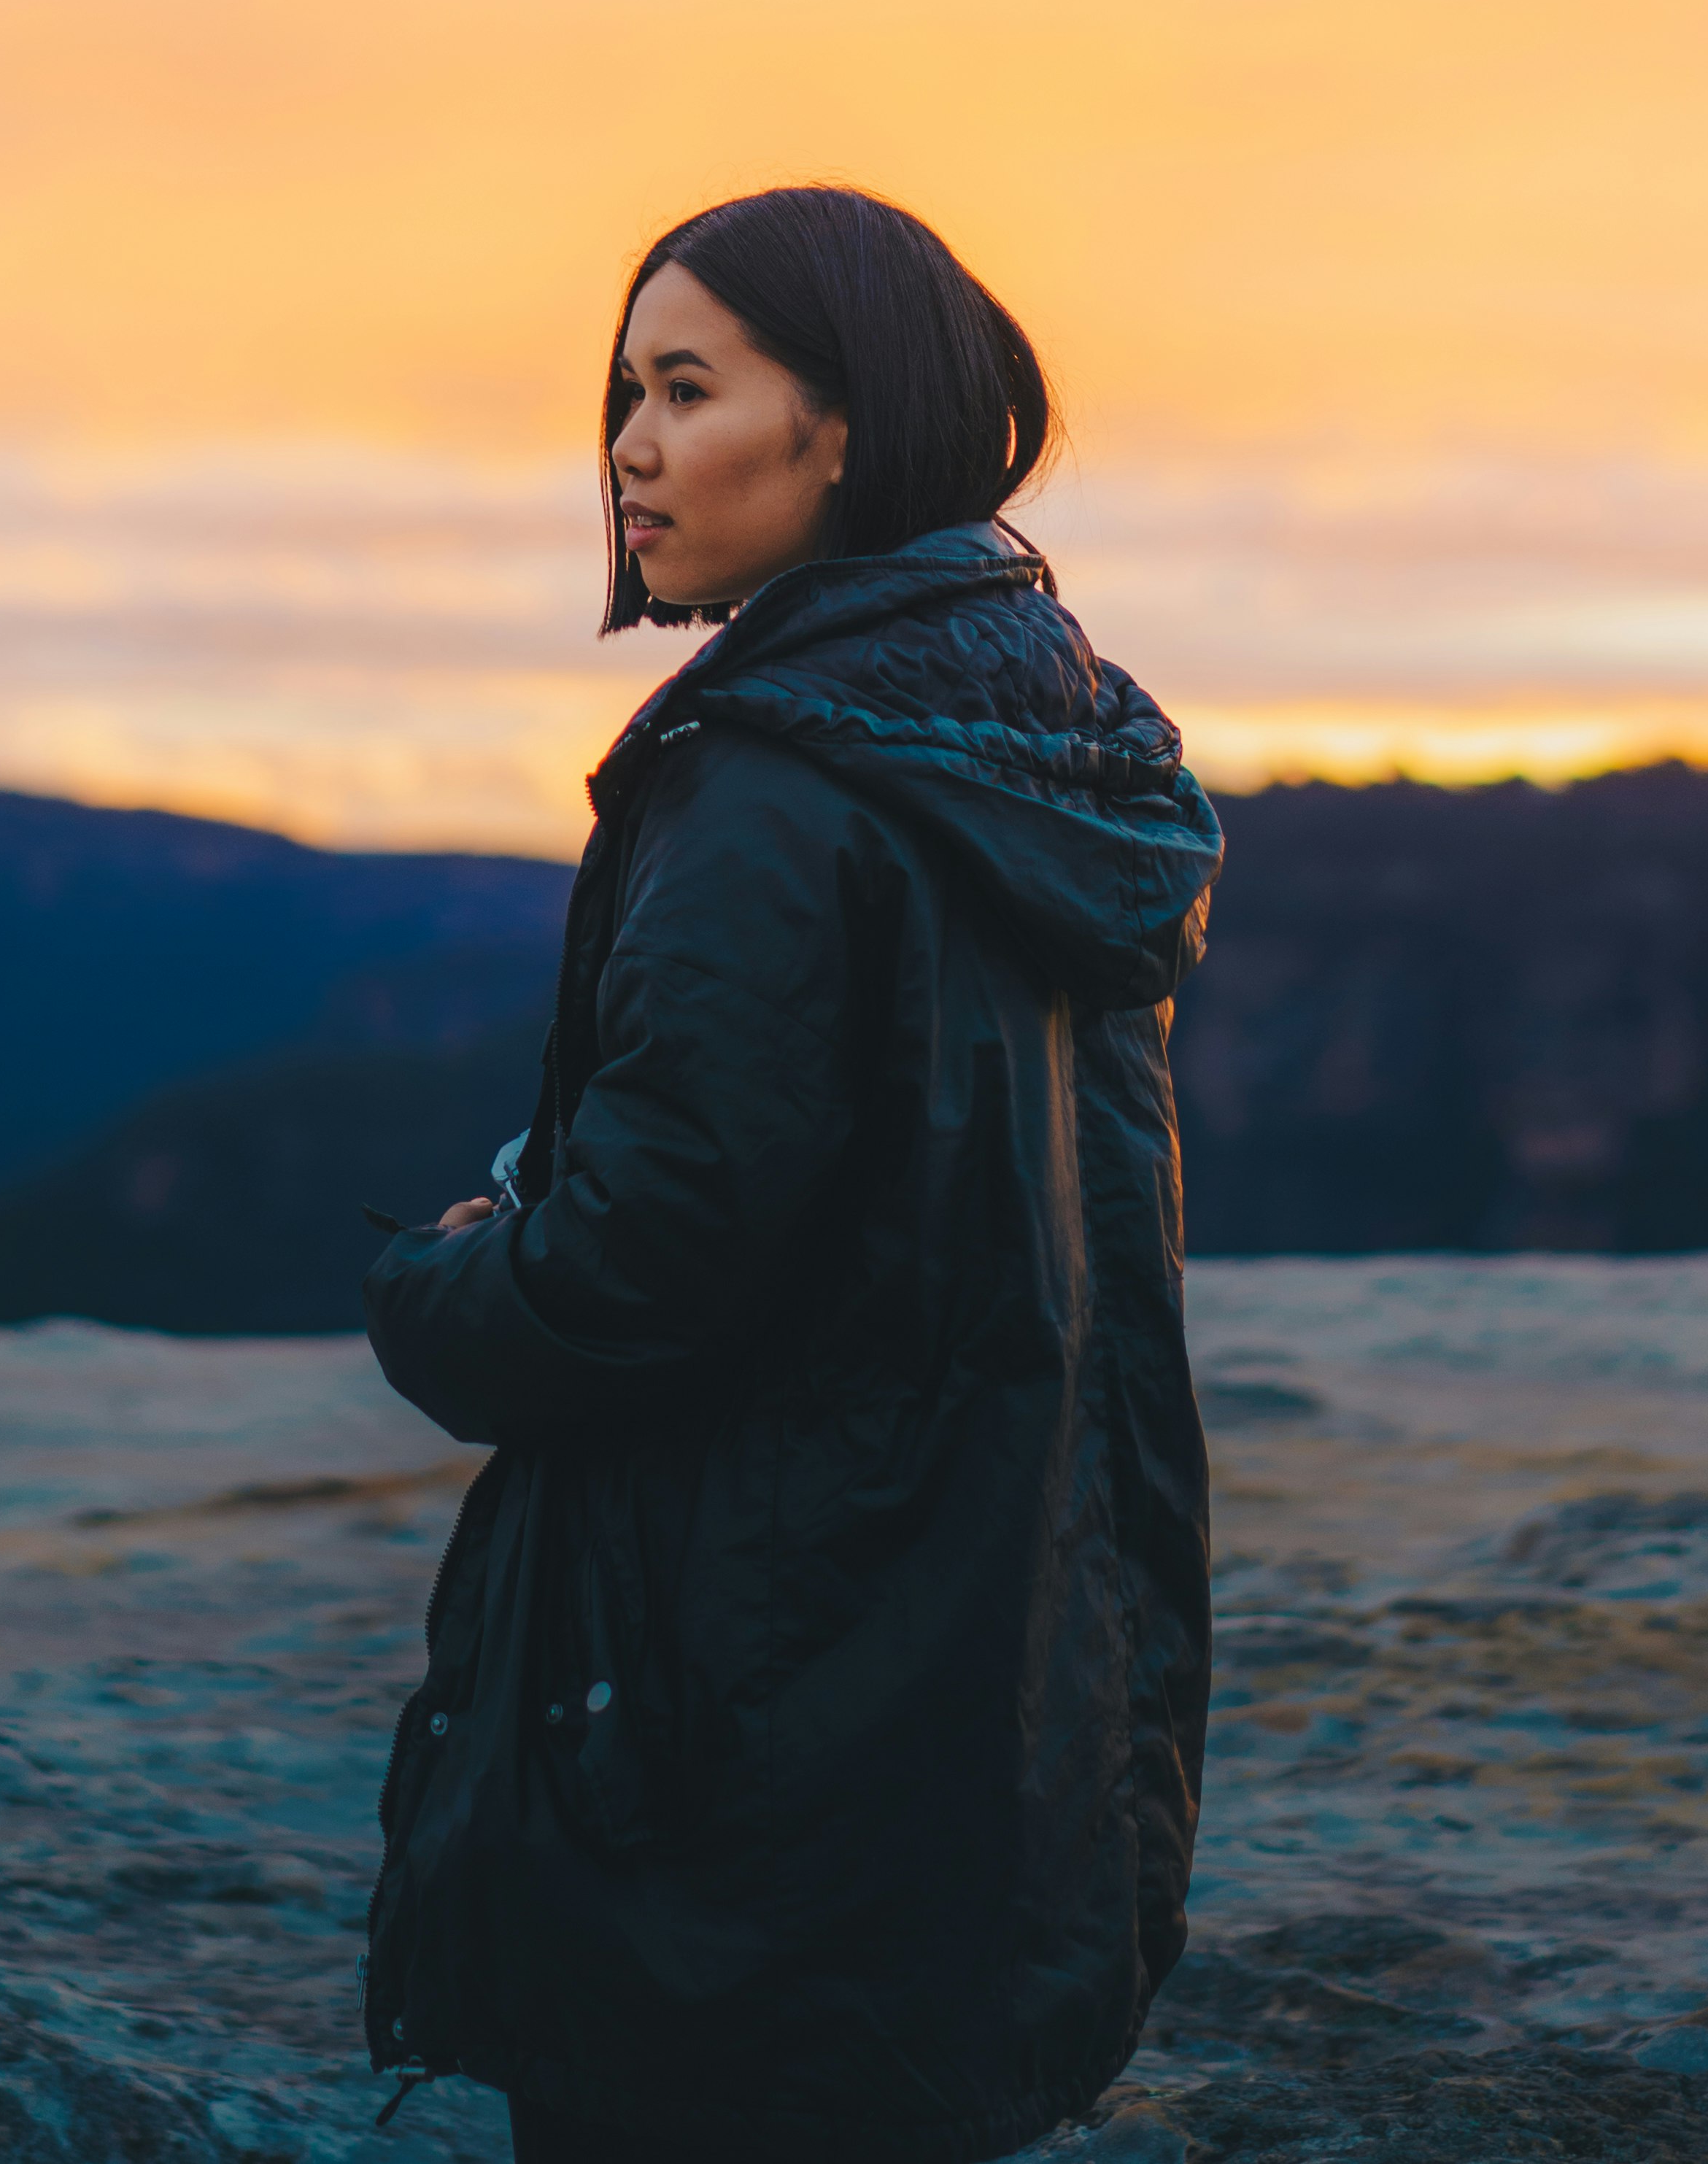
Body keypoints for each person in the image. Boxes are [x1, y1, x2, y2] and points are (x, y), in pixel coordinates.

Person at [358, 186, 1223, 2164]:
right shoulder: (1050, 736)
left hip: (747, 1684)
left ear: (840, 426)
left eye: (685, 387)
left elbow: (634, 1272)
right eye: (621, 397)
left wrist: (439, 1275)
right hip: (992, 1645)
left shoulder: (771, 787)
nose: (630, 449)